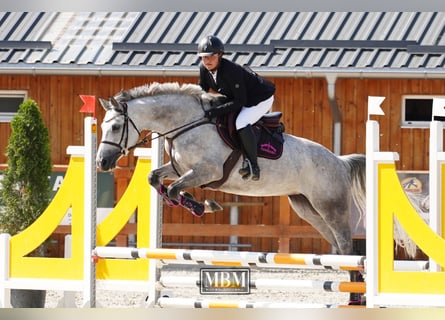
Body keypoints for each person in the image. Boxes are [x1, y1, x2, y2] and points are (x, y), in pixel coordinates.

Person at [197, 35, 275, 181]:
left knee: (241, 122)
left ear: (219, 55)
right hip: (237, 97)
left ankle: (253, 165)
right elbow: (201, 91)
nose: (207, 61)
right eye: (203, 57)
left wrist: (214, 111)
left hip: (260, 98)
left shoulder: (231, 71)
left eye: (211, 56)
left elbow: (240, 101)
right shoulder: (204, 68)